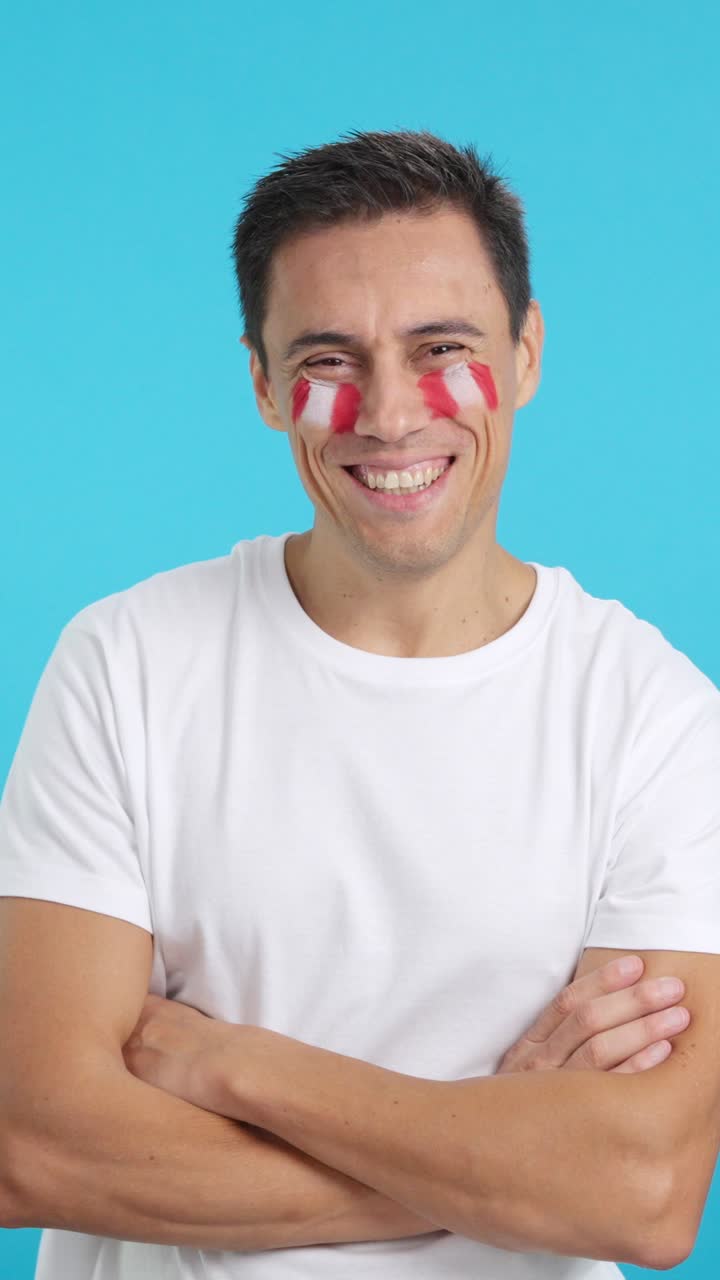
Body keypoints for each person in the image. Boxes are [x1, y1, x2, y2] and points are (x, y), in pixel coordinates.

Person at [1, 127, 719, 1280]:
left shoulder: (657, 719)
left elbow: (640, 1191)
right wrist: (497, 1152)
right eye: (330, 359)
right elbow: (32, 1140)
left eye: (443, 347)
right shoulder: (126, 663)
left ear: (527, 353)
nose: (390, 414)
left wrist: (241, 1066)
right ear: (264, 385)